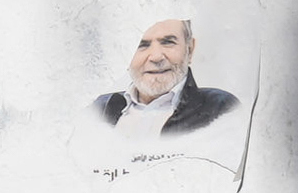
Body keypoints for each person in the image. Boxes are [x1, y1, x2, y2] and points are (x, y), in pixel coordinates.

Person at [93, 16, 236, 134]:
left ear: (190, 49)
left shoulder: (220, 108)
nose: (156, 57)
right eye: (141, 45)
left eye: (168, 42)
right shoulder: (98, 109)